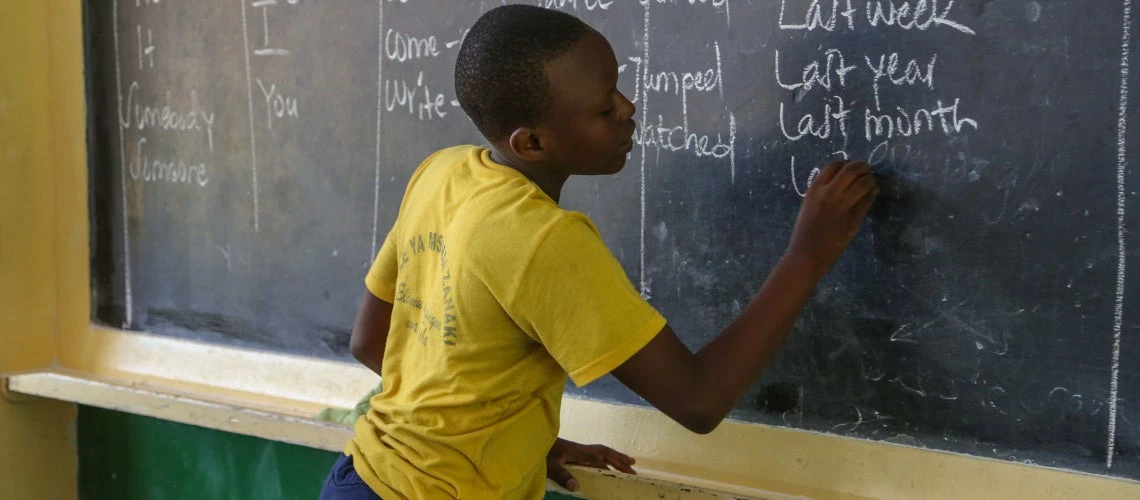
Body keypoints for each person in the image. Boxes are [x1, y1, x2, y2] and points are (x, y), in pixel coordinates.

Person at [319, 5, 878, 500]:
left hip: (361, 476)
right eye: (603, 109)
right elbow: (699, 400)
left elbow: (372, 343)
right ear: (531, 143)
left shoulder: (441, 173)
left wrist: (520, 442)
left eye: (618, 90)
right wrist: (808, 255)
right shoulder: (543, 239)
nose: (627, 109)